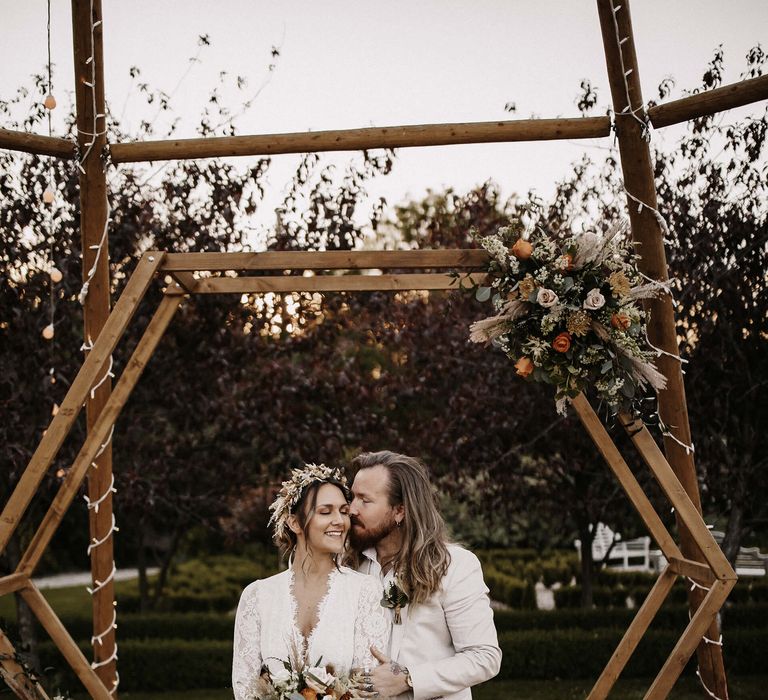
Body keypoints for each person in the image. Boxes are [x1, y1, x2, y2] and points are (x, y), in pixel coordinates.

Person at [349, 450, 501, 700]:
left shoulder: (455, 566)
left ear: (400, 511)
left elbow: (484, 656)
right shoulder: (348, 565)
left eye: (365, 500)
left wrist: (410, 678)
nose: (351, 509)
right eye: (352, 497)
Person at [232, 463, 390, 700]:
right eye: (326, 512)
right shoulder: (257, 596)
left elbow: (368, 688)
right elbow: (245, 688)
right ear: (294, 523)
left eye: (344, 511)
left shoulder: (366, 592)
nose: (340, 521)